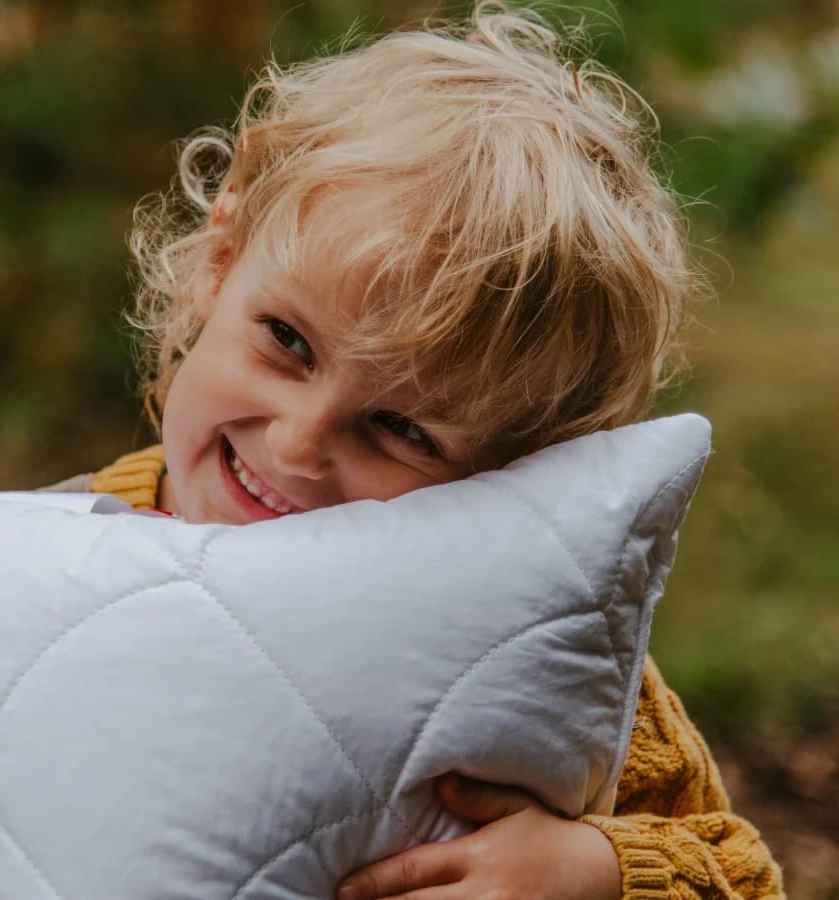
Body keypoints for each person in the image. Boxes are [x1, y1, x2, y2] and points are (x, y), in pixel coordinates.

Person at [55, 3, 784, 896]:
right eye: (287, 340)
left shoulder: (532, 651)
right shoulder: (54, 544)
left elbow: (746, 878)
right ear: (223, 256)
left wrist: (596, 871)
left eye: (405, 430)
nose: (297, 442)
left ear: (520, 476)